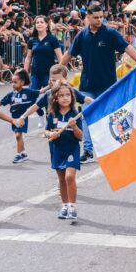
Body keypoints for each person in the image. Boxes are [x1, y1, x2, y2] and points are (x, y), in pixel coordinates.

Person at [60, 4, 136, 163]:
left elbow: (127, 47)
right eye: (95, 17)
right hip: (87, 87)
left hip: (108, 86)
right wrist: (57, 72)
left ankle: (118, 149)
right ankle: (88, 151)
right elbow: (68, 55)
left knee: (111, 118)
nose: (99, 20)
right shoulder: (82, 36)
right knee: (86, 116)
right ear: (88, 17)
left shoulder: (110, 33)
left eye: (101, 17)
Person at [45, 83, 83, 221]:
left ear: (72, 97)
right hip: (57, 150)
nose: (65, 98)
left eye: (67, 95)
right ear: (55, 98)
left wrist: (74, 127)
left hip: (72, 149)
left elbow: (80, 136)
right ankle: (65, 205)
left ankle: (72, 206)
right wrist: (50, 135)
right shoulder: (51, 114)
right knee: (61, 179)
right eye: (61, 95)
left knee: (69, 177)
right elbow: (46, 130)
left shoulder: (75, 114)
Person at [0, 69, 40, 164]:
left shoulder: (28, 92)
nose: (13, 84)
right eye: (12, 82)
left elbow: (39, 92)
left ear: (22, 82)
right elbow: (2, 102)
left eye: (15, 82)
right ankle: (23, 153)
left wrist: (49, 87)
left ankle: (18, 154)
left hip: (22, 118)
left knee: (18, 135)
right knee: (18, 136)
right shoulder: (11, 95)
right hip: (14, 118)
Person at [24, 15, 63, 90]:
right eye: (37, 22)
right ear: (35, 25)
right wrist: (25, 72)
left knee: (50, 97)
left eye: (42, 22)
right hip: (35, 73)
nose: (39, 24)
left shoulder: (52, 39)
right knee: (31, 95)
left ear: (46, 25)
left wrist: (60, 73)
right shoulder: (32, 40)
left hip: (49, 73)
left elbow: (60, 57)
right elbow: (28, 57)